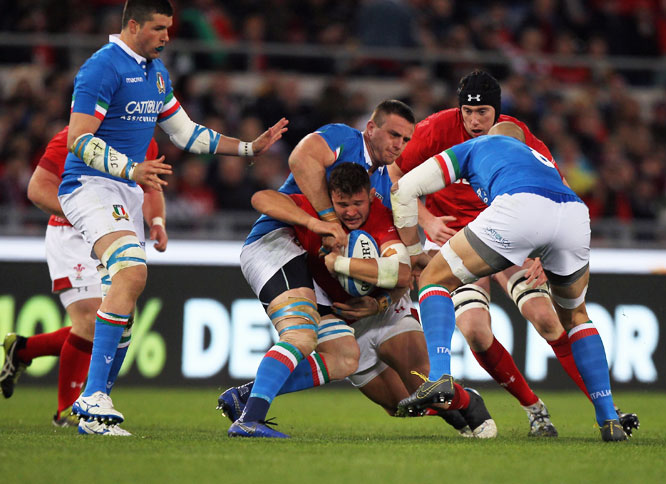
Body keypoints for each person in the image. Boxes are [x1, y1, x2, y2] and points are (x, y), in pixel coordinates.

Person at [57, 0, 288, 431]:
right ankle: (92, 397)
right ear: (132, 25)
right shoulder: (101, 68)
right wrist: (131, 168)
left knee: (124, 296)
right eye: (159, 28)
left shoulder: (156, 73)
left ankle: (94, 409)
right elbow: (77, 139)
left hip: (125, 189)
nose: (167, 36)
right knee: (131, 273)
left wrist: (247, 148)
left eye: (169, 28)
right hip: (89, 186)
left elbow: (187, 134)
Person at [389, 69, 638, 437]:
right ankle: (571, 413)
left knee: (544, 318)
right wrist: (428, 220)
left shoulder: (486, 142)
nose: (474, 121)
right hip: (531, 222)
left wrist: (412, 249)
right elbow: (560, 187)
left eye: (483, 114)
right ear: (459, 110)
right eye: (468, 113)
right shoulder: (439, 127)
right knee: (484, 329)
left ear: (498, 114)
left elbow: (403, 187)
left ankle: (440, 378)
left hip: (509, 222)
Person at [220, 162, 497, 438]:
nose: (351, 212)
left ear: (369, 196)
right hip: (341, 315)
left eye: (357, 203)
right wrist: (313, 223)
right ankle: (249, 395)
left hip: (384, 310)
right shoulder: (317, 212)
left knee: (422, 385)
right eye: (342, 204)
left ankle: (469, 403)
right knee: (397, 405)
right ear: (331, 200)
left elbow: (402, 274)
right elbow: (261, 198)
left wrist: (344, 267)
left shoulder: (383, 217)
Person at [226, 100, 415, 438]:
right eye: (393, 135)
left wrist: (380, 302)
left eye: (406, 139)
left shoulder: (383, 186)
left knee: (345, 357)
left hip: (314, 268)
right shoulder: (345, 139)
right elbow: (296, 163)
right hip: (278, 241)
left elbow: (402, 267)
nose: (398, 145)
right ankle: (250, 420)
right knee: (300, 334)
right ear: (371, 128)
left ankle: (245, 397)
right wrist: (326, 221)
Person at [0, 127, 167, 436]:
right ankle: (69, 409)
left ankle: (23, 350)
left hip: (115, 233)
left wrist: (156, 221)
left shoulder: (144, 138)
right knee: (91, 318)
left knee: (115, 317)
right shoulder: (74, 137)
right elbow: (38, 189)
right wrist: (89, 215)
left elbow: (152, 189)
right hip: (72, 234)